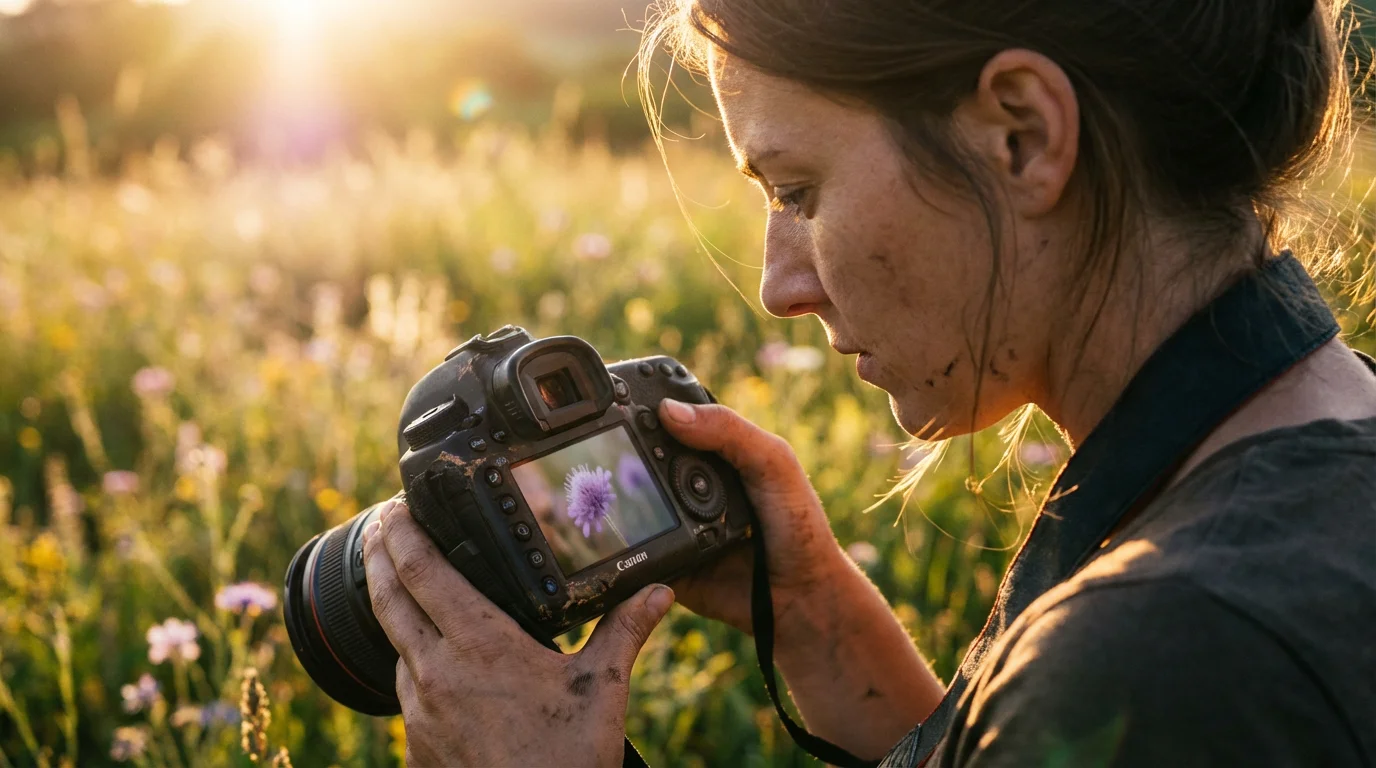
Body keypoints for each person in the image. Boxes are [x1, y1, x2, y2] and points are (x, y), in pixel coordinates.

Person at [357, 0, 1376, 765]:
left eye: (798, 190)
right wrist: (810, 615)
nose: (776, 286)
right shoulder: (1318, 434)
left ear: (1020, 137)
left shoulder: (1169, 650)